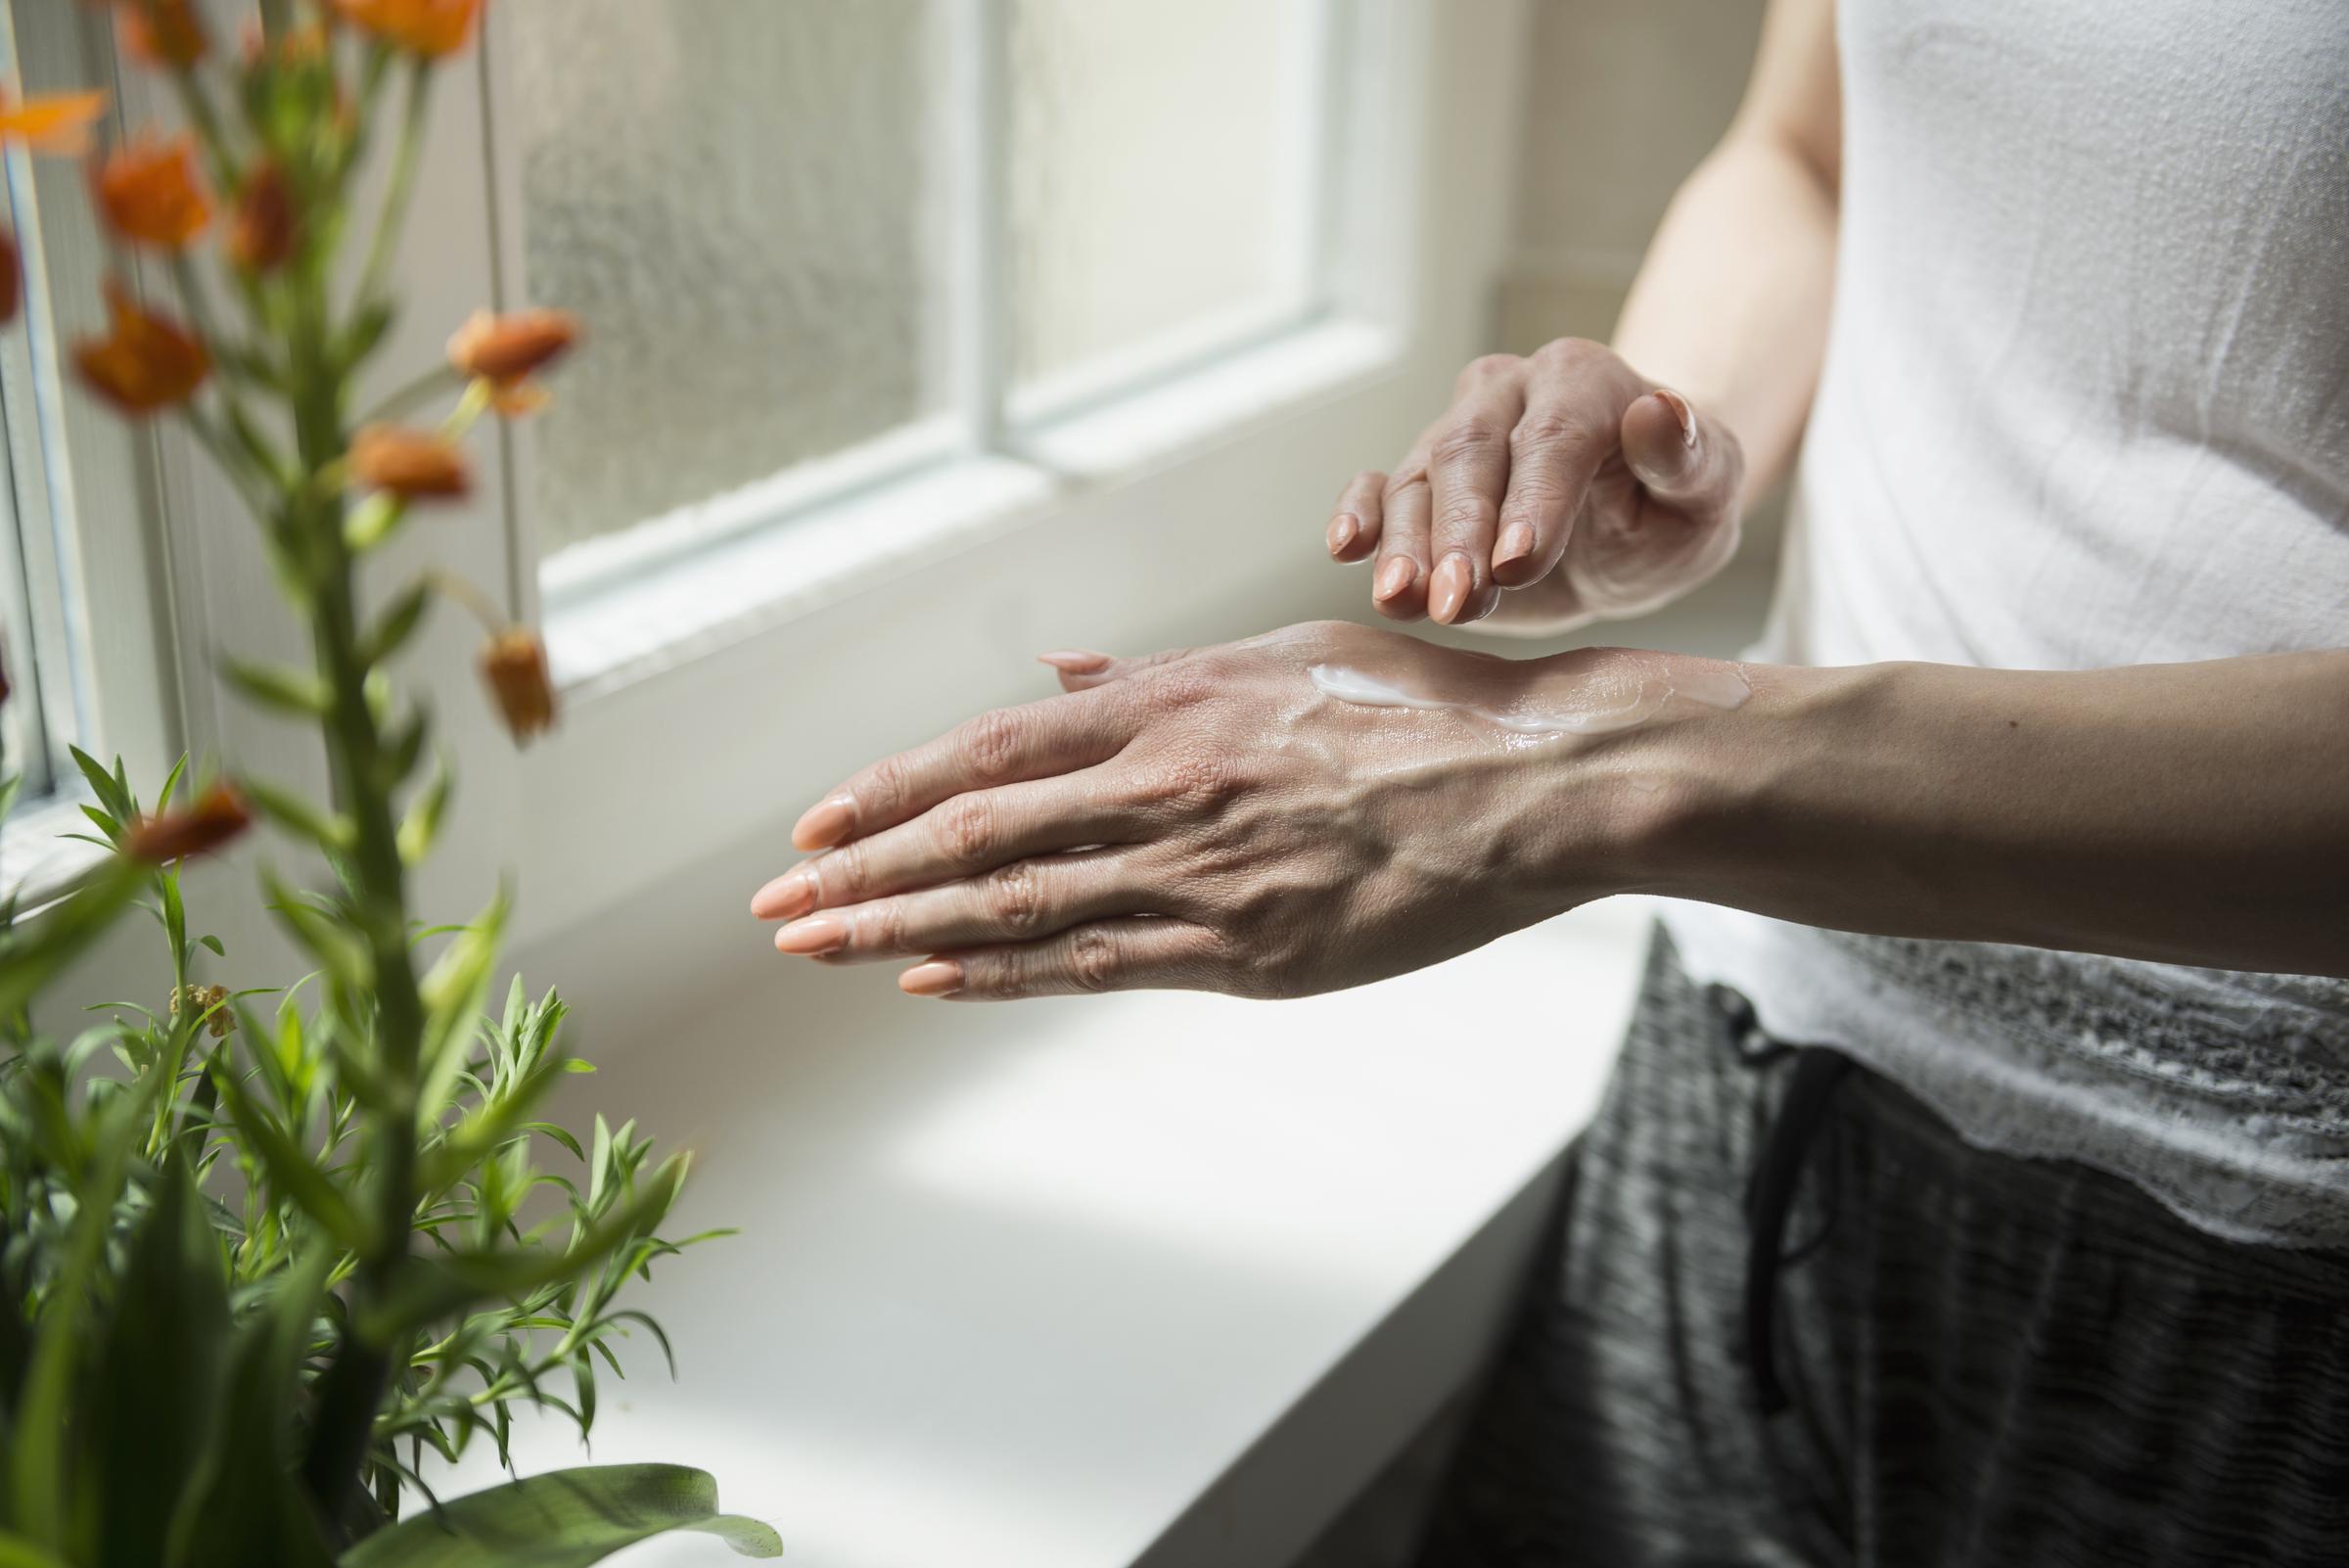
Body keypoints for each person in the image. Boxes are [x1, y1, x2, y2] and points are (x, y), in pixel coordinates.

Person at [753, 0, 2349, 1558]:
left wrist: (1590, 767)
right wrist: (1665, 432)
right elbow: (1805, 154)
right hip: (1759, 1047)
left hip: (2277, 1255)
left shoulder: (1624, 789)